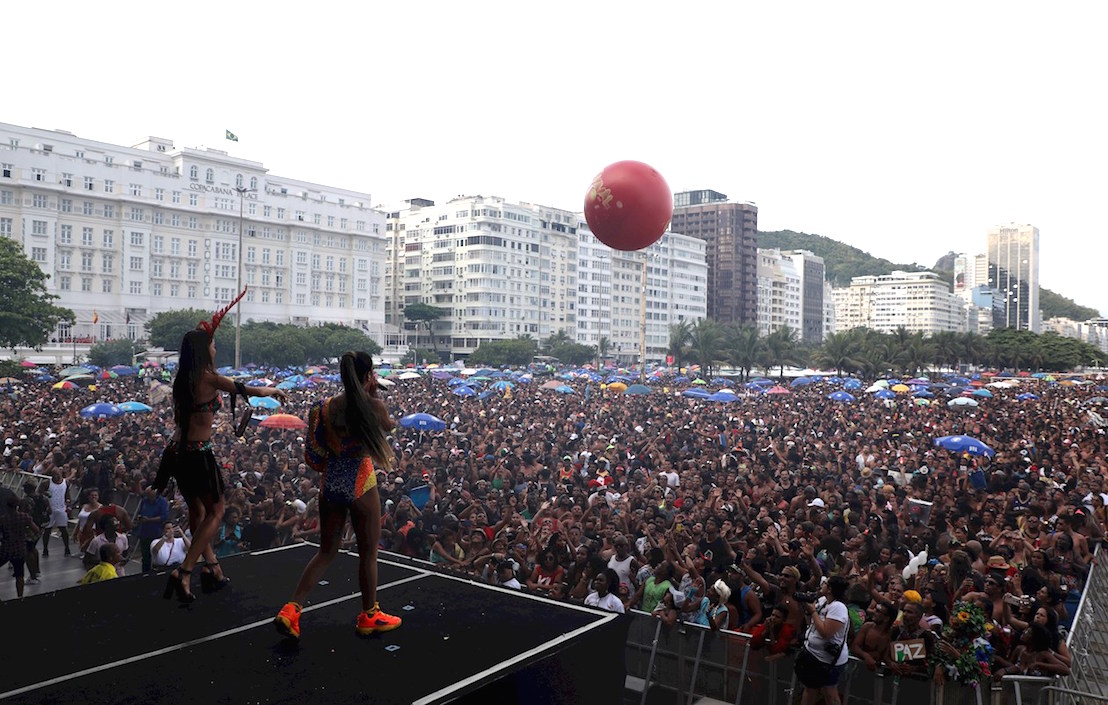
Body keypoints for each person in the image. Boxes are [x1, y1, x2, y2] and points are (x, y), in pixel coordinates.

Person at [156, 295, 287, 602]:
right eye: (212, 344)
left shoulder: (182, 380)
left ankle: (211, 567)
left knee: (197, 511)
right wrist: (272, 389)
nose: (215, 348)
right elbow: (245, 389)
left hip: (177, 452)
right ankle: (185, 571)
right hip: (197, 454)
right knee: (217, 511)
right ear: (204, 350)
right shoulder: (208, 377)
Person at [274, 351, 401, 640]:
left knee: (326, 551)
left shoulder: (323, 408)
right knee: (367, 553)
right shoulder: (374, 407)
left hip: (329, 482)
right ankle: (370, 615)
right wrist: (372, 393)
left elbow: (312, 454)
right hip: (361, 482)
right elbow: (388, 427)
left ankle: (291, 610)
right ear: (369, 376)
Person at [795, 575, 850, 705]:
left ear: (830, 589)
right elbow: (811, 623)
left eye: (825, 583)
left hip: (828, 660)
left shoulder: (838, 607)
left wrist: (813, 611)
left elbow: (826, 633)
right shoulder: (823, 600)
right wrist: (808, 610)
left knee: (829, 691)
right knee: (810, 688)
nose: (822, 585)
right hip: (813, 655)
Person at [134, 484, 170, 574]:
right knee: (145, 556)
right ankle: (144, 574)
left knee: (156, 555)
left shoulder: (162, 502)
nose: (148, 497)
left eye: (149, 495)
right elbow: (140, 511)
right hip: (144, 532)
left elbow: (164, 517)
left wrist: (149, 520)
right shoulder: (144, 501)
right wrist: (140, 518)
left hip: (156, 532)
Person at [42, 468, 72, 557]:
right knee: (47, 529)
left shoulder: (65, 482)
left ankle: (67, 548)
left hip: (61, 508)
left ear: (61, 474)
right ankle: (45, 549)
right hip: (50, 509)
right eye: (53, 475)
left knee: (63, 529)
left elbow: (67, 494)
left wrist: (69, 503)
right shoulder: (47, 483)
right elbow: (40, 492)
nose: (56, 477)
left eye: (57, 475)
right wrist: (46, 496)